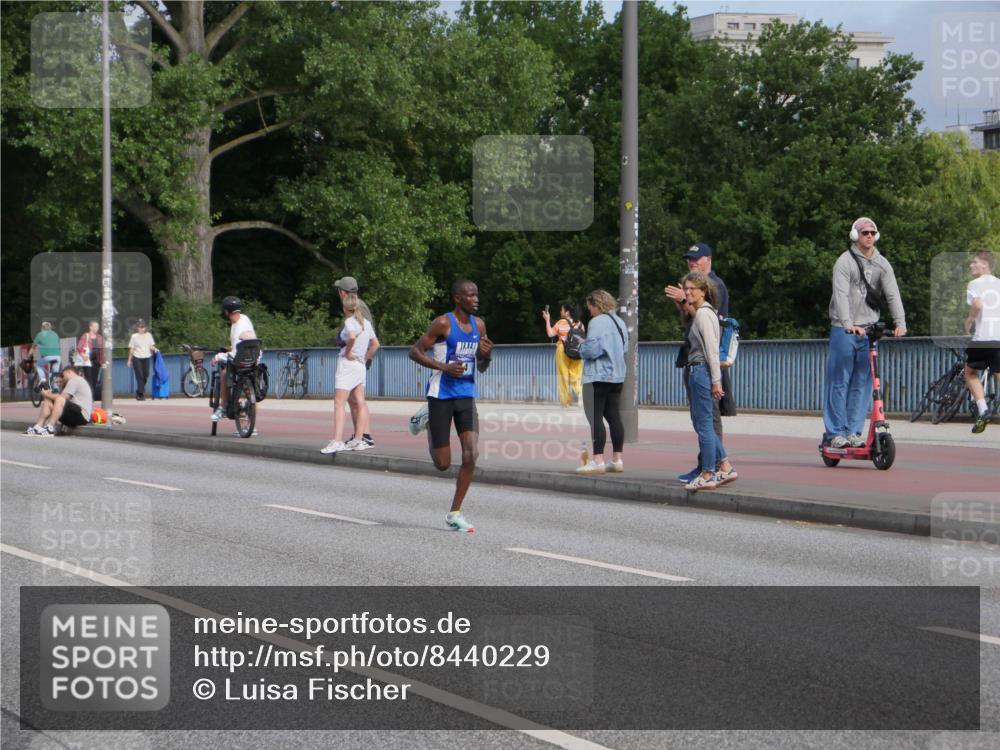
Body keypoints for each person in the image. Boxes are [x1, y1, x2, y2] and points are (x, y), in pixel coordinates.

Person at [408, 279, 493, 532]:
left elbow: (482, 365)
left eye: (477, 294)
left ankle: (455, 512)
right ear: (458, 298)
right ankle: (427, 420)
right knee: (442, 464)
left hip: (466, 394)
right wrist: (444, 367)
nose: (475, 299)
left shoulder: (479, 324)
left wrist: (487, 356)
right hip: (441, 395)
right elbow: (415, 351)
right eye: (470, 295)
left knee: (471, 454)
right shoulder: (443, 323)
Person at [825, 217, 906, 448]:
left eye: (872, 232)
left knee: (863, 382)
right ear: (855, 236)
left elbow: (892, 294)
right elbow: (840, 295)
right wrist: (848, 323)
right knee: (839, 381)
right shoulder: (844, 262)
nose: (868, 236)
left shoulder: (882, 264)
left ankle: (853, 431)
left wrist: (900, 322)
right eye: (864, 233)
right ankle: (835, 433)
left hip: (869, 331)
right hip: (845, 329)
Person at [664, 242, 732, 483]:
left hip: (704, 362)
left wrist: (686, 301)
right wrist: (682, 304)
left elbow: (708, 325)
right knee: (699, 417)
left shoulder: (715, 287)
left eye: (697, 259)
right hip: (694, 359)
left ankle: (712, 468)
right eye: (689, 259)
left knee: (707, 418)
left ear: (709, 260)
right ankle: (714, 464)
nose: (692, 262)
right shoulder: (696, 294)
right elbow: (689, 322)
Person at [679, 272, 738, 490]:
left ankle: (707, 473)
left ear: (703, 291)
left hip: (702, 371)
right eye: (686, 288)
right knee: (702, 423)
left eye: (692, 289)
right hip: (701, 371)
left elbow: (712, 352)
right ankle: (725, 466)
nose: (688, 292)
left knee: (704, 424)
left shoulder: (704, 315)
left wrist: (716, 381)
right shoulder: (703, 312)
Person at [576, 289, 628, 475]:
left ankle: (598, 460)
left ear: (596, 305)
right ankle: (617, 460)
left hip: (597, 376)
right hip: (617, 376)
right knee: (614, 416)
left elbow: (592, 350)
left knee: (595, 417)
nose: (589, 311)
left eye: (590, 307)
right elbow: (624, 347)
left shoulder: (597, 322)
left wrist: (580, 345)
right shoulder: (620, 321)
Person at [322, 292, 380, 453]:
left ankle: (337, 440)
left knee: (339, 402)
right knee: (360, 401)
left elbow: (352, 337)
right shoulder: (366, 324)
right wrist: (365, 357)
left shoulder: (349, 322)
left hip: (347, 364)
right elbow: (375, 344)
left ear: (345, 308)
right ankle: (358, 439)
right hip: (360, 365)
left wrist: (348, 352)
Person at [335, 276, 376, 448]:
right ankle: (360, 436)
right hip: (360, 357)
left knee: (357, 400)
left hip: (356, 359)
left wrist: (362, 356)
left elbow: (361, 331)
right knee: (355, 399)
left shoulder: (357, 307)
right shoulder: (358, 304)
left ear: (342, 292)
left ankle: (364, 435)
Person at [963, 250, 1000, 433]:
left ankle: (983, 410)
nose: (971, 265)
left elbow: (977, 304)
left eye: (974, 262)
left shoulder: (975, 284)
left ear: (985, 265)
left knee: (970, 373)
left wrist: (970, 320)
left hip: (983, 339)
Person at [211, 296, 258, 424]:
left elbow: (235, 354)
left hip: (240, 361)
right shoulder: (245, 319)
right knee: (249, 388)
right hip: (253, 360)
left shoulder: (236, 328)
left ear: (226, 312)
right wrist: (230, 348)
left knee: (225, 373)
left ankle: (222, 407)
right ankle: (252, 427)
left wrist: (218, 356)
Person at [23, 364, 92, 436]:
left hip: (82, 416)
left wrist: (46, 394)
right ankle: (38, 426)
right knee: (48, 400)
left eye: (63, 375)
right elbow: (63, 400)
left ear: (69, 372)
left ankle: (50, 427)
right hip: (74, 414)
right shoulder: (74, 381)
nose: (63, 377)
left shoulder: (75, 379)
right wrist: (49, 395)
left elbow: (63, 397)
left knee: (59, 399)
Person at [541, 302, 585, 407]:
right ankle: (581, 395)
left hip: (562, 350)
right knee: (576, 374)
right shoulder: (580, 324)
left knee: (563, 375)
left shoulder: (561, 322)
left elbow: (550, 334)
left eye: (562, 310)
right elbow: (583, 339)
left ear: (567, 312)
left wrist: (547, 320)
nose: (560, 312)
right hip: (577, 351)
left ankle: (566, 402)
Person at [126, 320, 157, 401]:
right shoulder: (134, 336)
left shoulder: (148, 335)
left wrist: (155, 349)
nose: (141, 329)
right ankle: (141, 394)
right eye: (140, 327)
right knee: (139, 375)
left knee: (146, 375)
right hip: (137, 357)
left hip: (146, 357)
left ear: (145, 328)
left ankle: (138, 391)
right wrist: (129, 360)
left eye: (143, 327)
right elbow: (132, 349)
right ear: (137, 328)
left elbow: (151, 346)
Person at [76, 321, 103, 398]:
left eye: (97, 327)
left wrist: (102, 361)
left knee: (94, 379)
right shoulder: (85, 336)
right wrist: (82, 354)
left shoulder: (100, 337)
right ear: (90, 327)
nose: (96, 328)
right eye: (95, 327)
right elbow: (79, 347)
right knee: (89, 379)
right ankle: (89, 396)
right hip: (87, 360)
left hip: (97, 361)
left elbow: (103, 349)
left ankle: (92, 396)